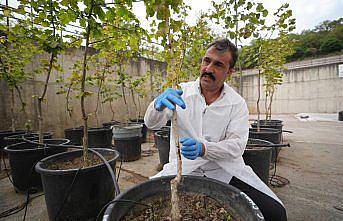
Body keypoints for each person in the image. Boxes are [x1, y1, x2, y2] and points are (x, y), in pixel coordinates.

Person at [144, 38, 287, 221]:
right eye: (206, 60)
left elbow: (236, 146)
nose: (208, 69)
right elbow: (152, 124)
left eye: (218, 64)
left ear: (229, 72)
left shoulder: (236, 103)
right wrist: (157, 105)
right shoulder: (181, 92)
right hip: (183, 170)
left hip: (223, 171)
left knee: (275, 213)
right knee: (141, 205)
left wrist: (205, 149)